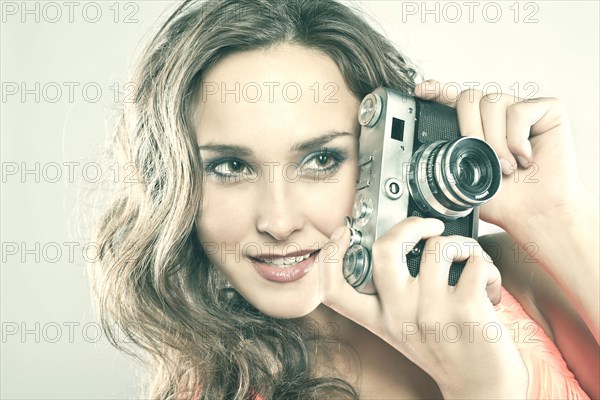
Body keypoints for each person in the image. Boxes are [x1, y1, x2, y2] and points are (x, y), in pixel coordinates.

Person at [90, 0, 599, 398]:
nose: (279, 220)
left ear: (390, 152)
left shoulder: (514, 283)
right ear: (176, 186)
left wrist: (557, 219)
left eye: (320, 160)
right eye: (231, 167)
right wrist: (485, 390)